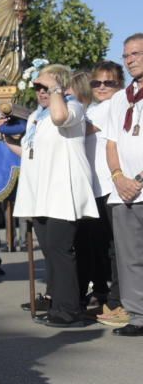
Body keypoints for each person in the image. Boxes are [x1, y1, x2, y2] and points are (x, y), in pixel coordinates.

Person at [8, 64, 98, 327]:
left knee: (61, 251)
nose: (40, 92)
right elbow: (31, 153)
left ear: (59, 86)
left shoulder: (72, 107)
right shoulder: (38, 115)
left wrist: (56, 89)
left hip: (62, 191)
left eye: (44, 86)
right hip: (41, 194)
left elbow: (60, 118)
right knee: (50, 251)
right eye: (37, 87)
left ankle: (69, 310)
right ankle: (57, 304)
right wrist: (5, 141)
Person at [75, 62, 123, 314]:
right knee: (96, 246)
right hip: (91, 187)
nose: (102, 87)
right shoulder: (91, 108)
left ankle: (116, 298)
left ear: (120, 85)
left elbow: (78, 128)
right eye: (96, 83)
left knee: (114, 247)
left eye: (109, 82)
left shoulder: (114, 106)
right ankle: (102, 292)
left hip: (110, 186)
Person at [105, 34, 143, 336]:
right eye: (126, 55)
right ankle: (138, 317)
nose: (130, 60)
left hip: (139, 185)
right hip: (124, 191)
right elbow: (112, 142)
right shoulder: (120, 99)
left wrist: (138, 181)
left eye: (136, 54)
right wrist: (118, 177)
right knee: (129, 258)